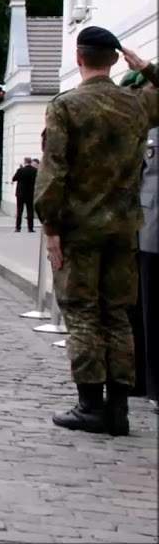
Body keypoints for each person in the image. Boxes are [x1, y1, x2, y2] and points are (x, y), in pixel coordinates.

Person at [34, 28, 159, 436]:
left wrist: (50, 227)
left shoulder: (67, 106)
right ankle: (119, 408)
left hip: (79, 229)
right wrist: (148, 69)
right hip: (124, 228)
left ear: (78, 56)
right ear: (115, 59)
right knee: (117, 314)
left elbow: (53, 172)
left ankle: (90, 405)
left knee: (84, 314)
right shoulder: (136, 104)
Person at [122, 67, 158, 410]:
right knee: (135, 309)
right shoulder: (139, 130)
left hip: (152, 230)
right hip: (136, 228)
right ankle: (137, 379)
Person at [12, 157, 38, 233]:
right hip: (30, 193)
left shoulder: (20, 170)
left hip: (21, 193)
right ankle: (30, 228)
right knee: (30, 210)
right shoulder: (35, 171)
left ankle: (18, 228)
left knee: (19, 210)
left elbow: (14, 178)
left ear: (25, 162)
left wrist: (20, 170)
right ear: (30, 162)